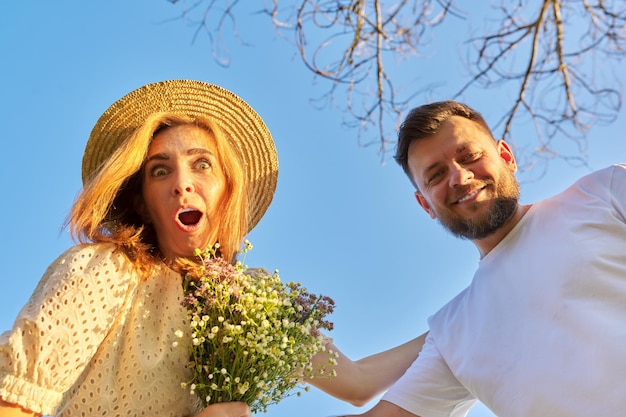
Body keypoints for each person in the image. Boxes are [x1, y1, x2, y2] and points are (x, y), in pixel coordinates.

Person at [0, 80, 425, 417]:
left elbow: (358, 383)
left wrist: (473, 312)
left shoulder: (252, 304)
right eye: (159, 171)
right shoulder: (104, 269)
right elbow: (13, 404)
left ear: (228, 190)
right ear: (141, 201)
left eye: (202, 164)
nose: (182, 182)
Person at [342, 100, 626, 417]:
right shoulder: (453, 333)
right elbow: (359, 387)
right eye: (436, 175)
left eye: (469, 157)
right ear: (425, 205)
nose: (460, 178)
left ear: (506, 156)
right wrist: (275, 308)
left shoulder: (604, 193)